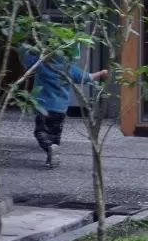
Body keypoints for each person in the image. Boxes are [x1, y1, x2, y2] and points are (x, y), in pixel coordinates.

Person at [20, 37, 107, 169]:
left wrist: (27, 46)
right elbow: (85, 77)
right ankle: (52, 156)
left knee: (41, 132)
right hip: (60, 109)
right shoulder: (69, 67)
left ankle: (49, 149)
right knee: (55, 136)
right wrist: (101, 73)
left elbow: (26, 60)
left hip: (44, 106)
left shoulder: (42, 63)